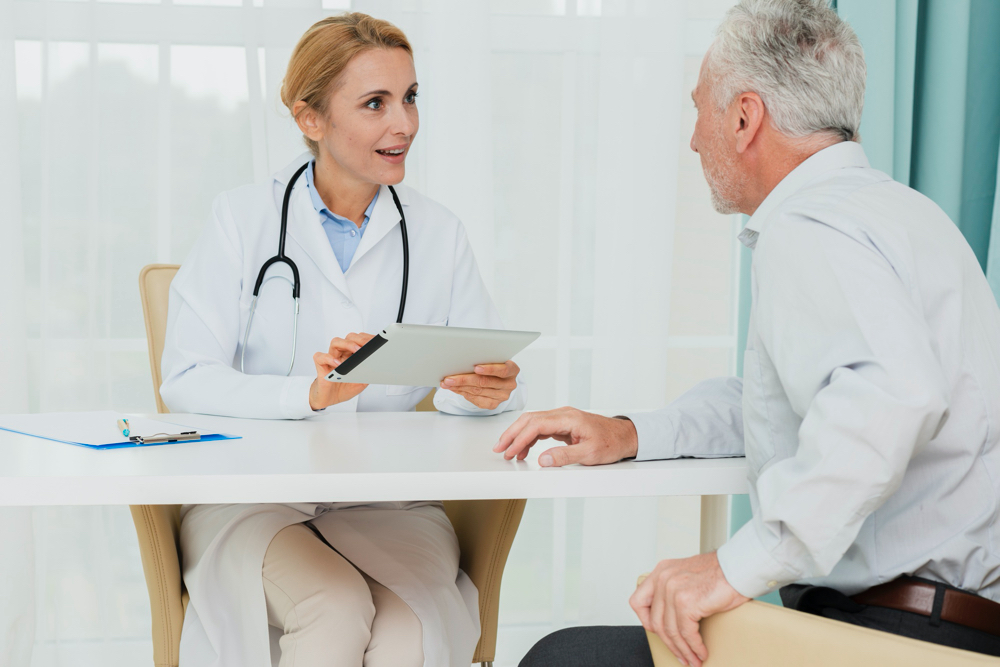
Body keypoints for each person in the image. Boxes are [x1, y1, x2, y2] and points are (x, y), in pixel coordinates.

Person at [498, 1, 1000, 666]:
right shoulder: (905, 215)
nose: (694, 139)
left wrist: (735, 565)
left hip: (893, 636)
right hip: (957, 626)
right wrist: (632, 432)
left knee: (564, 658)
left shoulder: (809, 230)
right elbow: (787, 401)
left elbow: (891, 396)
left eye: (700, 108)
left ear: (743, 118)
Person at [160, 13, 525, 667]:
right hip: (254, 497)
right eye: (376, 103)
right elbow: (186, 378)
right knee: (332, 606)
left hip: (388, 497)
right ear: (311, 119)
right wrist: (311, 392)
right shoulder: (242, 220)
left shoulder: (439, 234)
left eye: (411, 97)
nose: (405, 124)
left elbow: (466, 389)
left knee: (410, 633)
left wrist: (484, 390)